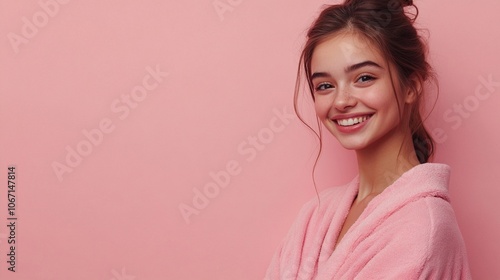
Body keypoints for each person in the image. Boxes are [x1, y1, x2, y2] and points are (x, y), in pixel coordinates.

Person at [265, 0, 471, 279]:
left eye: (364, 78)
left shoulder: (423, 227)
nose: (341, 101)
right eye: (325, 85)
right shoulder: (317, 213)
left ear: (410, 87)